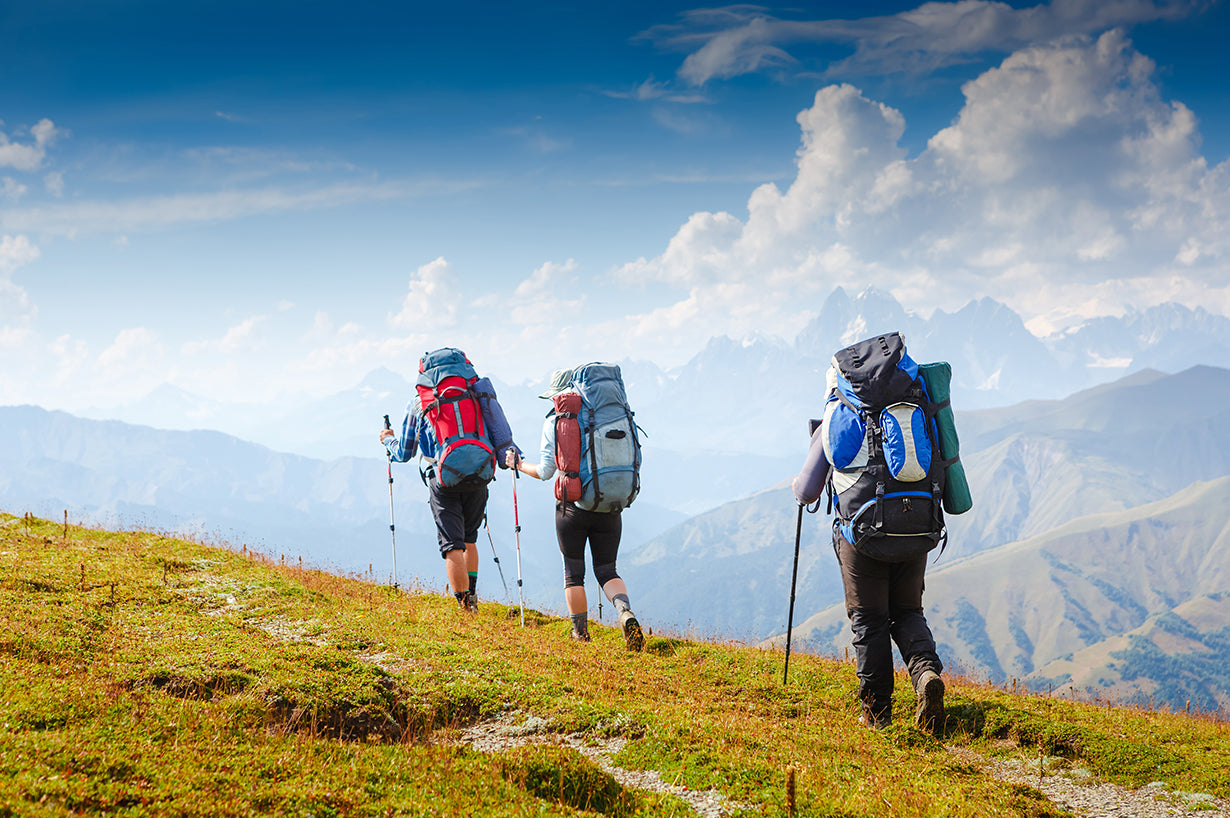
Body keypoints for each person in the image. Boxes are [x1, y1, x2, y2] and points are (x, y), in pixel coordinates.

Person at [793, 417, 945, 734]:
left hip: (863, 534)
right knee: (908, 611)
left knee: (870, 618)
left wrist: (799, 486)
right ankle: (926, 674)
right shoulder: (916, 399)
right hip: (917, 525)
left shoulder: (841, 407)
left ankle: (877, 715)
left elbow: (807, 492)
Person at [505, 367, 644, 650]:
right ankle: (625, 612)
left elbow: (545, 471)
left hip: (573, 508)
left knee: (574, 573)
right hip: (609, 504)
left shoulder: (557, 420)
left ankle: (580, 635)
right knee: (607, 570)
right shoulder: (612, 414)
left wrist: (517, 464)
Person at [380, 351, 496, 613]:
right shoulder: (477, 394)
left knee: (452, 544)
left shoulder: (419, 403)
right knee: (469, 538)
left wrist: (388, 440)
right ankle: (473, 595)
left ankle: (466, 609)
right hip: (479, 474)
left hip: (441, 478)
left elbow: (404, 453)